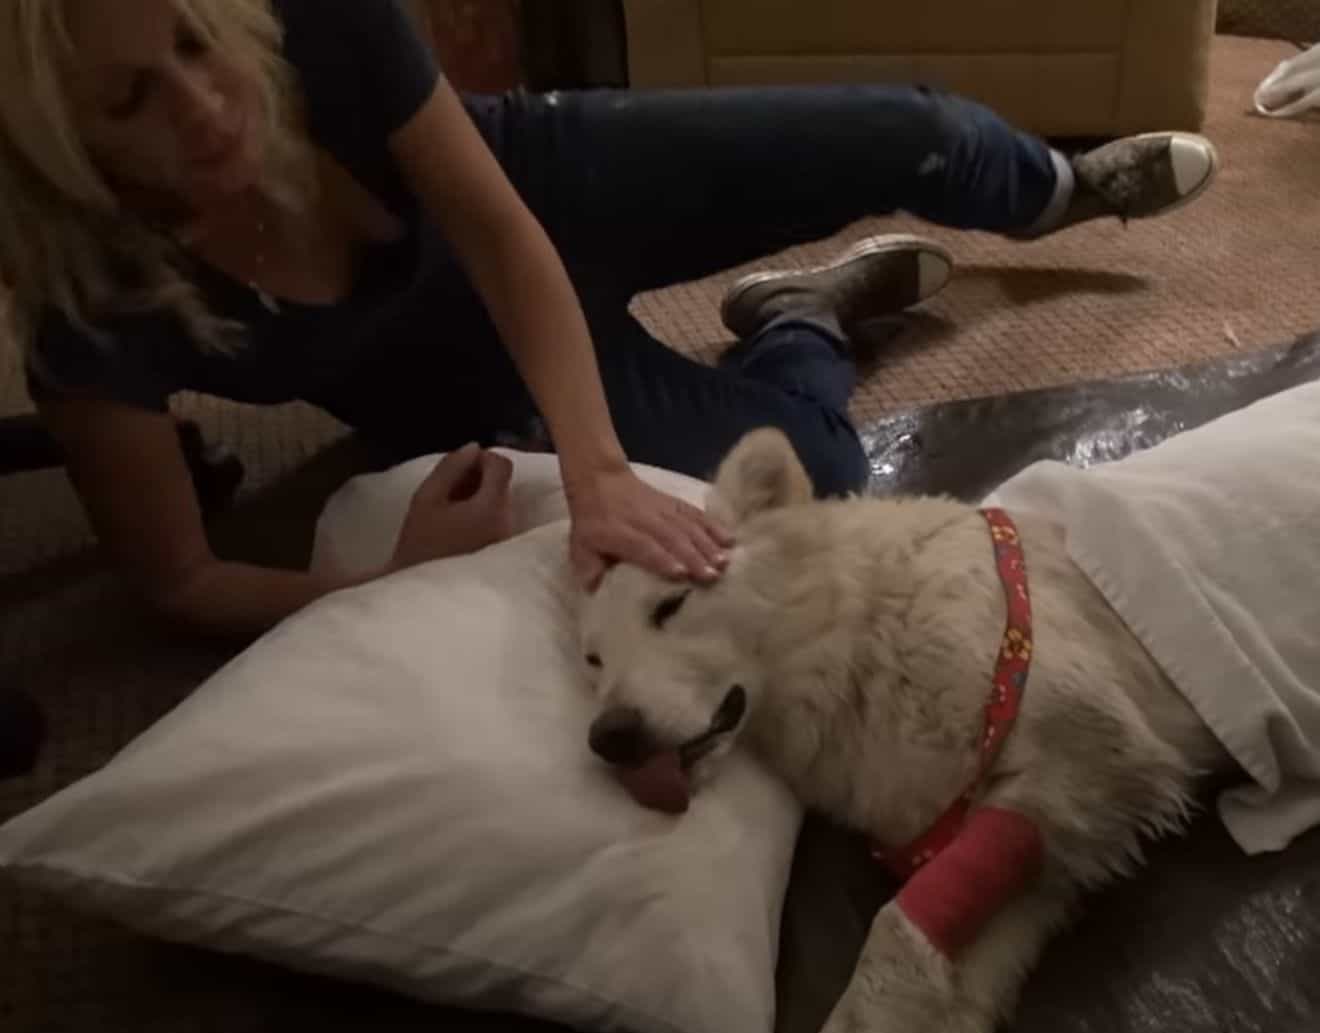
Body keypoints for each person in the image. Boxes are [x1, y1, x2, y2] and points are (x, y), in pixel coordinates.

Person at [0, 0, 1217, 637]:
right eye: (131, 99)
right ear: (55, 150)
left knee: (916, 131)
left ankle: (1052, 194)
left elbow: (496, 231)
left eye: (197, 40)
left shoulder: (311, 13)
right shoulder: (85, 306)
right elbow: (177, 582)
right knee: (813, 473)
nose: (209, 104)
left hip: (530, 186)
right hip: (443, 379)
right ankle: (805, 322)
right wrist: (386, 583)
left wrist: (594, 471)